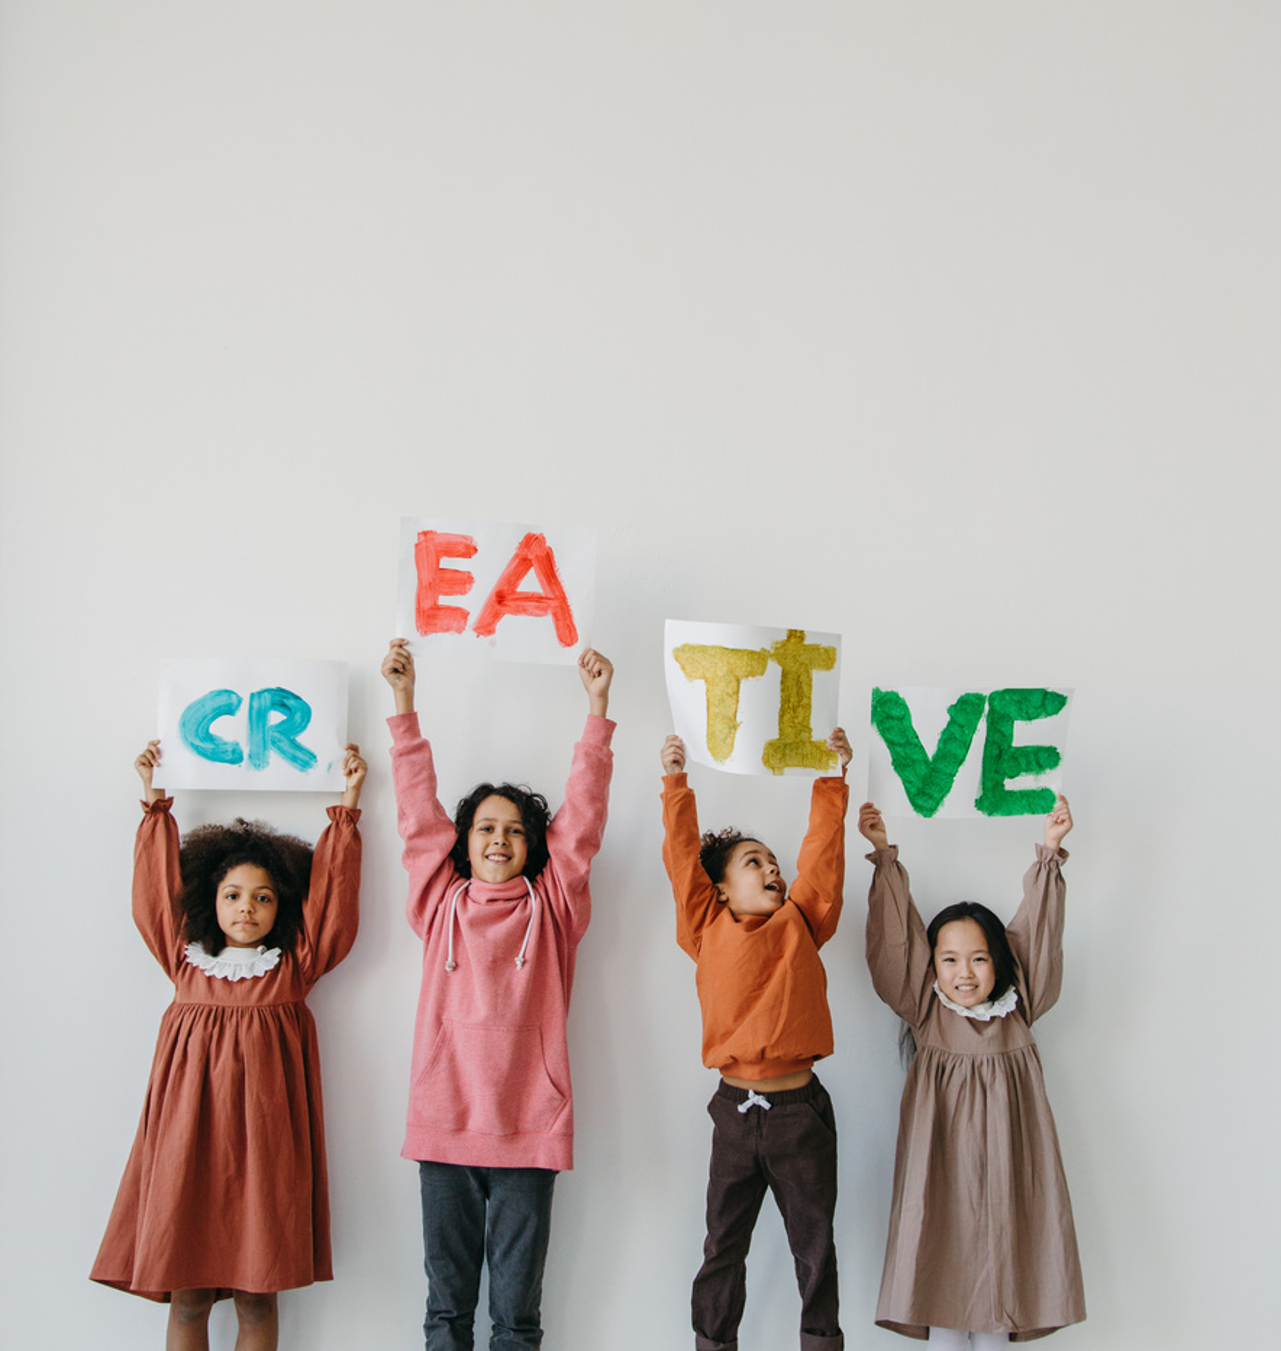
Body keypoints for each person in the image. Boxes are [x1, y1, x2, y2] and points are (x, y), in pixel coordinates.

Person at [91, 737, 366, 1350]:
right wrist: (154, 802)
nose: (247, 907)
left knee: (256, 1292)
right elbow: (152, 897)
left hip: (266, 1152)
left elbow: (333, 905)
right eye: (234, 895)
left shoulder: (293, 969)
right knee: (187, 1294)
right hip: (186, 1144)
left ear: (282, 907)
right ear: (208, 902)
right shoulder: (184, 963)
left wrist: (348, 804)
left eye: (264, 897)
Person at [382, 638, 615, 1351]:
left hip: (528, 1131)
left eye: (515, 829)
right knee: (446, 1312)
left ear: (532, 846)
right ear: (465, 839)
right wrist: (402, 706)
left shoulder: (554, 910)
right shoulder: (437, 901)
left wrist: (597, 711)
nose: (499, 837)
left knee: (516, 1316)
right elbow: (417, 817)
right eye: (485, 826)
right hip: (444, 1127)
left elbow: (581, 823)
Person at [858, 796, 1086, 1348]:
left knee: (1005, 1270)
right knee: (942, 1261)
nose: (965, 972)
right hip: (939, 1161)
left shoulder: (1021, 1001)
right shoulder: (925, 1004)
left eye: (979, 958)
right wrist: (884, 854)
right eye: (950, 959)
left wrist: (1051, 852)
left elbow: (1039, 930)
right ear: (931, 964)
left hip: (1011, 1158)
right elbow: (895, 939)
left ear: (1001, 962)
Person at [660, 729, 852, 1351]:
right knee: (722, 1249)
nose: (773, 868)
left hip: (800, 1115)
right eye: (754, 862)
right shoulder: (705, 927)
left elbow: (821, 858)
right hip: (734, 1115)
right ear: (719, 889)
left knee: (814, 1250)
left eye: (774, 862)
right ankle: (713, 1342)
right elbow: (681, 859)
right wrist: (675, 785)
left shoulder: (802, 921)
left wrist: (832, 779)